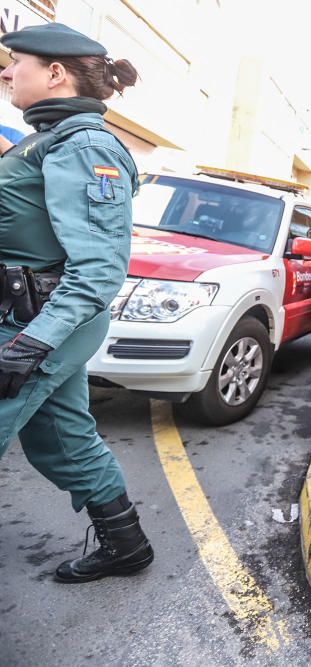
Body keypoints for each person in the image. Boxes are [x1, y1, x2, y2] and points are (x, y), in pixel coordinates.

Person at [0, 23, 154, 583]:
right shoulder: (48, 139)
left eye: (16, 60)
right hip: (29, 320)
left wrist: (30, 345)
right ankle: (126, 545)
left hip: (33, 325)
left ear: (56, 73)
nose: (7, 71)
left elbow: (97, 270)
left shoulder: (84, 145)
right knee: (60, 440)